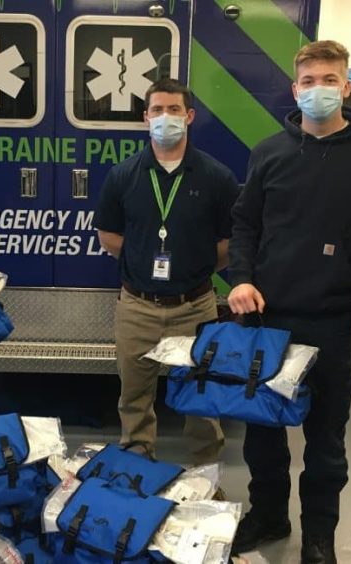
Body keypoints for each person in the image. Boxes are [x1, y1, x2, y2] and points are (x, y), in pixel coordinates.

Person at [227, 40, 351, 562]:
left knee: (326, 442)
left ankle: (319, 536)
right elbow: (245, 225)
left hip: (329, 320)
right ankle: (269, 516)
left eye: (329, 80)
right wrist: (239, 278)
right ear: (294, 88)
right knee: (262, 434)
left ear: (346, 87)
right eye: (308, 81)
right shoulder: (269, 152)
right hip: (265, 318)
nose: (318, 89)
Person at [94, 78, 239, 465]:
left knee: (202, 400)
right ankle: (137, 470)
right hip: (137, 307)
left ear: (189, 116)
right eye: (157, 110)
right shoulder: (123, 175)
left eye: (174, 110)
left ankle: (205, 476)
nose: (165, 117)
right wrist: (143, 255)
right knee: (134, 399)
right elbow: (108, 235)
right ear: (145, 118)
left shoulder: (217, 177)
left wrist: (194, 263)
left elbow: (229, 243)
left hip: (196, 307)